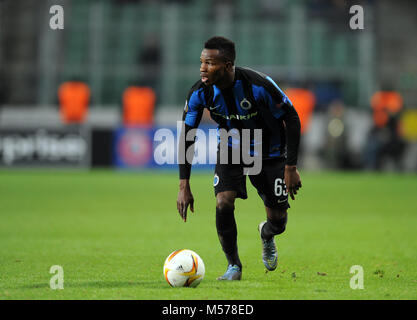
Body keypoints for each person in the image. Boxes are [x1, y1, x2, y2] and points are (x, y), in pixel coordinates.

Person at [176, 36, 302, 280]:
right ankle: (234, 266)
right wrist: (184, 185)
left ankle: (266, 234)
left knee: (278, 222)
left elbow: (293, 117)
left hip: (270, 152)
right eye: (201, 62)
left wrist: (291, 167)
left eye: (210, 63)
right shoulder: (199, 92)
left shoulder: (259, 85)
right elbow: (187, 135)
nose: (203, 68)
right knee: (223, 202)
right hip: (233, 148)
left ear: (228, 65)